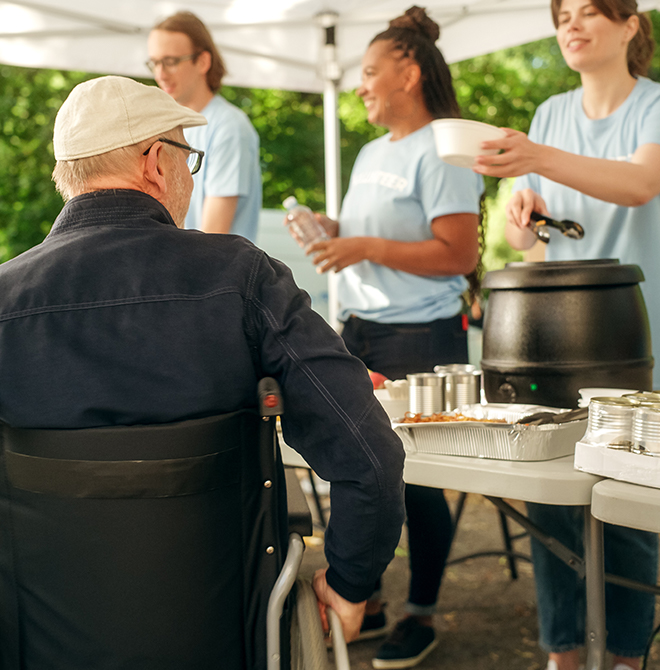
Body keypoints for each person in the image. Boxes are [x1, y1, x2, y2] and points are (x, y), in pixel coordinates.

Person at [0, 75, 406, 668]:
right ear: (154, 162)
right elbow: (371, 458)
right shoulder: (242, 278)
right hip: (226, 640)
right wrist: (348, 588)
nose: (191, 176)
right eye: (189, 158)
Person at [473, 0, 660, 668]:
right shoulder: (549, 115)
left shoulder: (657, 106)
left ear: (630, 24)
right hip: (556, 340)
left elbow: (642, 183)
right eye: (562, 17)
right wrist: (523, 212)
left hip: (638, 339)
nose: (572, 26)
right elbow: (520, 237)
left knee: (625, 506)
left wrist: (536, 159)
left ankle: (623, 656)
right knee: (550, 501)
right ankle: (562, 652)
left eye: (589, 12)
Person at [307, 7, 484, 669]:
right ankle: (368, 600)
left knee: (417, 480)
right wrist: (332, 230)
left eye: (370, 72)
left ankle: (422, 613)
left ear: (408, 72)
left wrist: (367, 245)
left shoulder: (444, 147)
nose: (359, 86)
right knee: (356, 471)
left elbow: (458, 253)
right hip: (361, 333)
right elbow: (373, 240)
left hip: (422, 337)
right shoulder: (372, 152)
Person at [147, 11, 262, 241]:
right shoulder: (164, 127)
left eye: (170, 62)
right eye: (154, 63)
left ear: (203, 62)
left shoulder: (229, 127)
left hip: (210, 273)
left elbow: (212, 238)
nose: (160, 74)